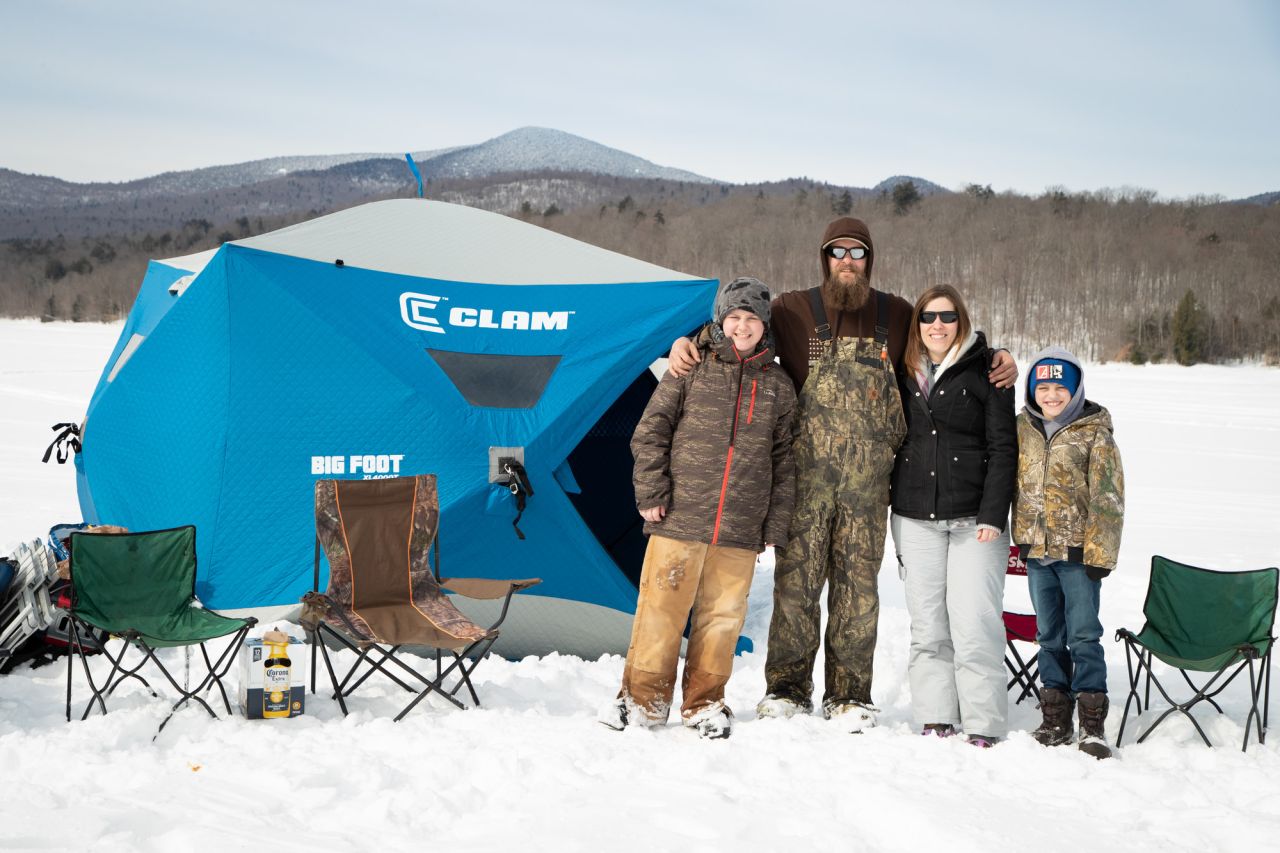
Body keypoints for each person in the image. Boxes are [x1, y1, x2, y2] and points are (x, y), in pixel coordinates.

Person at [668, 217, 1018, 731]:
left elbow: (946, 345)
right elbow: (738, 330)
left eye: (857, 253)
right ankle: (786, 689)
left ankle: (850, 695)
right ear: (825, 259)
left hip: (870, 486)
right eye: (838, 252)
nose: (847, 261)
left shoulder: (896, 313)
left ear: (869, 259)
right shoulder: (790, 308)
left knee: (859, 591)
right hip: (805, 477)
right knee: (796, 586)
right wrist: (689, 340)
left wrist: (996, 354)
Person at [600, 276, 796, 739]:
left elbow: (786, 460)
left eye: (751, 318)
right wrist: (651, 494)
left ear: (764, 325)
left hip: (741, 526)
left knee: (723, 618)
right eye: (734, 317)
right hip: (679, 517)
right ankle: (643, 701)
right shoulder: (690, 368)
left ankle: (704, 703)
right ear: (720, 321)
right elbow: (649, 433)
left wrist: (776, 522)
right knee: (661, 612)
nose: (742, 326)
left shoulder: (779, 386)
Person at [889, 285, 1016, 747]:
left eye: (946, 317)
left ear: (960, 320)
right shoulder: (902, 371)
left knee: (975, 621)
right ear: (917, 325)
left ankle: (982, 720)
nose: (936, 326)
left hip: (973, 521)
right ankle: (936, 714)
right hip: (914, 516)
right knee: (927, 624)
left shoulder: (990, 370)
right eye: (927, 317)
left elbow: (1005, 448)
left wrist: (993, 514)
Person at [1013, 347, 1124, 759]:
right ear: (1032, 389)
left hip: (1078, 554)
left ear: (1076, 390)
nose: (1052, 395)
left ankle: (1091, 723)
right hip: (1038, 552)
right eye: (1043, 386)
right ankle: (1055, 716)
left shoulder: (1094, 431)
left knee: (1083, 635)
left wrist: (1099, 553)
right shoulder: (1022, 426)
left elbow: (1108, 498)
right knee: (1048, 636)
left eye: (1061, 386)